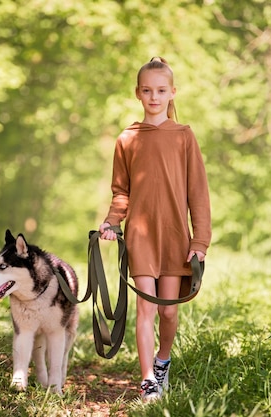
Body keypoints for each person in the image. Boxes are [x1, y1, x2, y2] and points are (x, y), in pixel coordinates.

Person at [98, 56, 212, 402]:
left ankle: (163, 360)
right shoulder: (127, 138)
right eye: (147, 90)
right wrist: (111, 222)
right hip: (141, 236)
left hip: (176, 236)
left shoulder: (184, 136)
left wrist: (200, 240)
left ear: (172, 93)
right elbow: (122, 191)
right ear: (137, 93)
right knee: (145, 310)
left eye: (161, 90)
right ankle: (148, 381)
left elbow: (199, 194)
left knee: (169, 311)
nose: (154, 97)